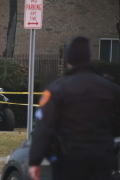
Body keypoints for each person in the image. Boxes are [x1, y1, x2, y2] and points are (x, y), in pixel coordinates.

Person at [28, 36, 120, 180]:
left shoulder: (57, 89)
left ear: (68, 60)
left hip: (69, 160)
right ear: (88, 58)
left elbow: (44, 128)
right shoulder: (110, 88)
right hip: (102, 159)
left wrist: (35, 161)